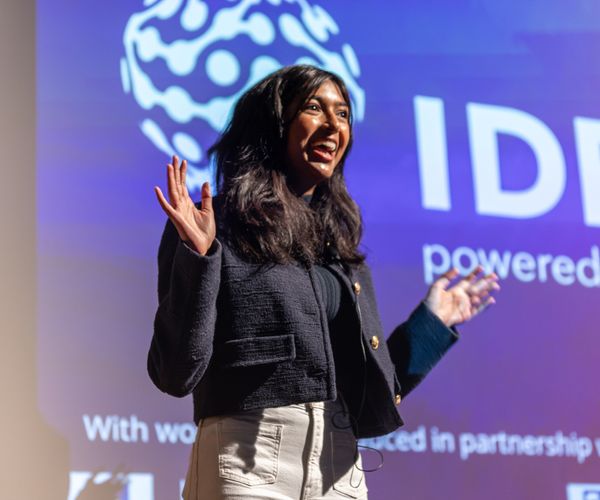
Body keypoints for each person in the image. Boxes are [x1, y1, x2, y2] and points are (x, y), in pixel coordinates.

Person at [149, 65, 499, 500]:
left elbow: (373, 386)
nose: (335, 125)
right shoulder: (216, 225)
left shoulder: (340, 250)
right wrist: (199, 258)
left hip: (341, 472)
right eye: (314, 108)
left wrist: (431, 323)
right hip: (251, 464)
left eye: (345, 114)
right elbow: (176, 372)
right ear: (274, 124)